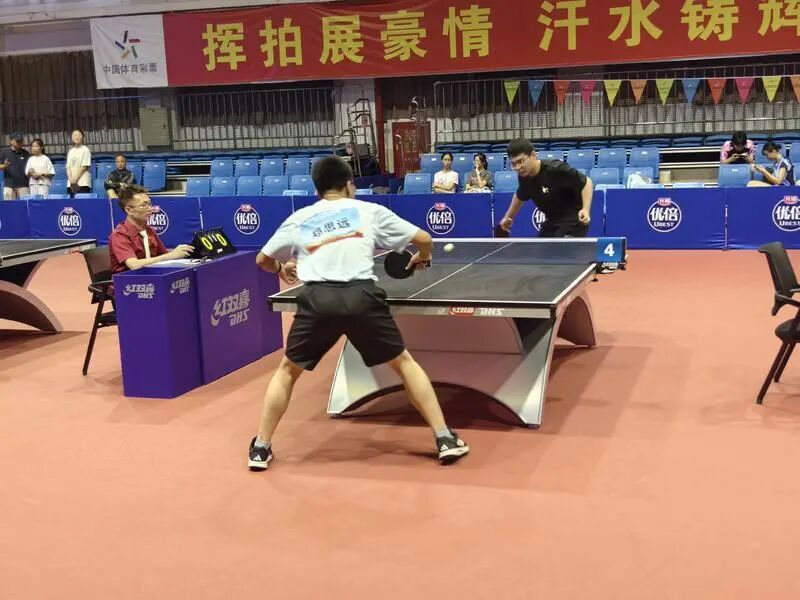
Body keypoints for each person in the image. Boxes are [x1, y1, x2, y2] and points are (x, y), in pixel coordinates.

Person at [248, 156, 469, 471]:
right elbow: (425, 238)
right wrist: (422, 256)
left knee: (287, 371)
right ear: (350, 185)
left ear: (317, 189)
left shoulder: (300, 217)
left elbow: (262, 260)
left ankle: (260, 447)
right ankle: (445, 438)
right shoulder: (368, 210)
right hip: (361, 297)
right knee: (404, 364)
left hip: (317, 300)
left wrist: (281, 268)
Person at [499, 138, 593, 238]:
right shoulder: (524, 177)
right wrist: (508, 217)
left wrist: (585, 209)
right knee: (541, 246)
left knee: (561, 247)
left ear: (533, 155)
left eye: (520, 161)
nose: (517, 167)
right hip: (552, 220)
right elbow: (519, 196)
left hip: (574, 219)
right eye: (513, 164)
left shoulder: (556, 169)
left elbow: (587, 182)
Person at [109, 186, 194, 277]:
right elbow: (134, 265)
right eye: (143, 205)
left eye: (150, 204)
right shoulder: (119, 235)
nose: (150, 209)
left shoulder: (149, 231)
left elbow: (165, 257)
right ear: (129, 210)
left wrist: (179, 252)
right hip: (128, 283)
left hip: (153, 279)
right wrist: (170, 256)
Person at [0, 133, 31, 200]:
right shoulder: (4, 152)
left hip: (23, 185)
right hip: (9, 185)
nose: (20, 142)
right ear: (11, 141)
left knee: (25, 205)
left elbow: (29, 167)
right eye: (17, 141)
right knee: (9, 205)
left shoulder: (26, 153)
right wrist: (5, 165)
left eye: (21, 141)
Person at [66, 129, 92, 197]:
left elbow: (84, 166)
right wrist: (70, 179)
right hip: (71, 184)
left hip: (83, 183)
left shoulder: (86, 150)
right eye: (74, 135)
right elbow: (68, 167)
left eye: (79, 135)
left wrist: (75, 179)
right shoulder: (71, 151)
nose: (76, 137)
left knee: (82, 203)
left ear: (82, 137)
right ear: (72, 138)